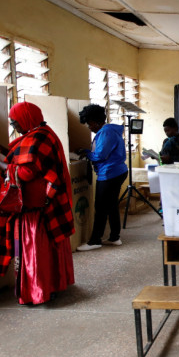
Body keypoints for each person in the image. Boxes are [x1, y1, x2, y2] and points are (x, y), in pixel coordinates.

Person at [0, 102, 75, 305]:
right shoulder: (43, 133)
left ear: (26, 119)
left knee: (34, 252)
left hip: (32, 209)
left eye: (15, 122)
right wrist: (4, 150)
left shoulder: (38, 137)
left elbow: (26, 172)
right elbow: (26, 157)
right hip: (45, 207)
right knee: (47, 250)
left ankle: (38, 290)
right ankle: (52, 285)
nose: (14, 126)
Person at [76, 104, 128, 251]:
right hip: (117, 171)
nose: (88, 127)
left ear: (95, 121)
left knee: (100, 207)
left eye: (89, 123)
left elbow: (100, 155)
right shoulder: (110, 130)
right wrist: (88, 152)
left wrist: (87, 153)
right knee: (111, 205)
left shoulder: (105, 132)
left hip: (109, 173)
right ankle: (114, 237)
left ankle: (95, 240)